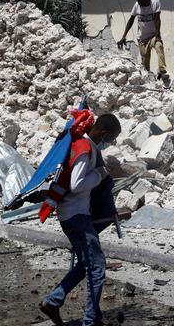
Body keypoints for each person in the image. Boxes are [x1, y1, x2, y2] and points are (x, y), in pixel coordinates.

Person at [40, 113, 122, 326]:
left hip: (71, 214)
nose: (109, 143)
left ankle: (53, 302)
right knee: (97, 266)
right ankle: (90, 321)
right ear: (103, 133)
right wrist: (99, 174)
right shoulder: (85, 148)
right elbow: (77, 184)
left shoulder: (83, 145)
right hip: (76, 215)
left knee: (86, 263)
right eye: (110, 139)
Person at [117, 0, 167, 80]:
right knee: (145, 64)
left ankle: (161, 69)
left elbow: (157, 19)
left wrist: (158, 35)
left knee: (159, 46)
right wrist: (124, 36)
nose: (139, 1)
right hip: (142, 39)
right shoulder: (137, 5)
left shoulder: (155, 2)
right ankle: (148, 79)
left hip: (153, 35)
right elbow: (131, 20)